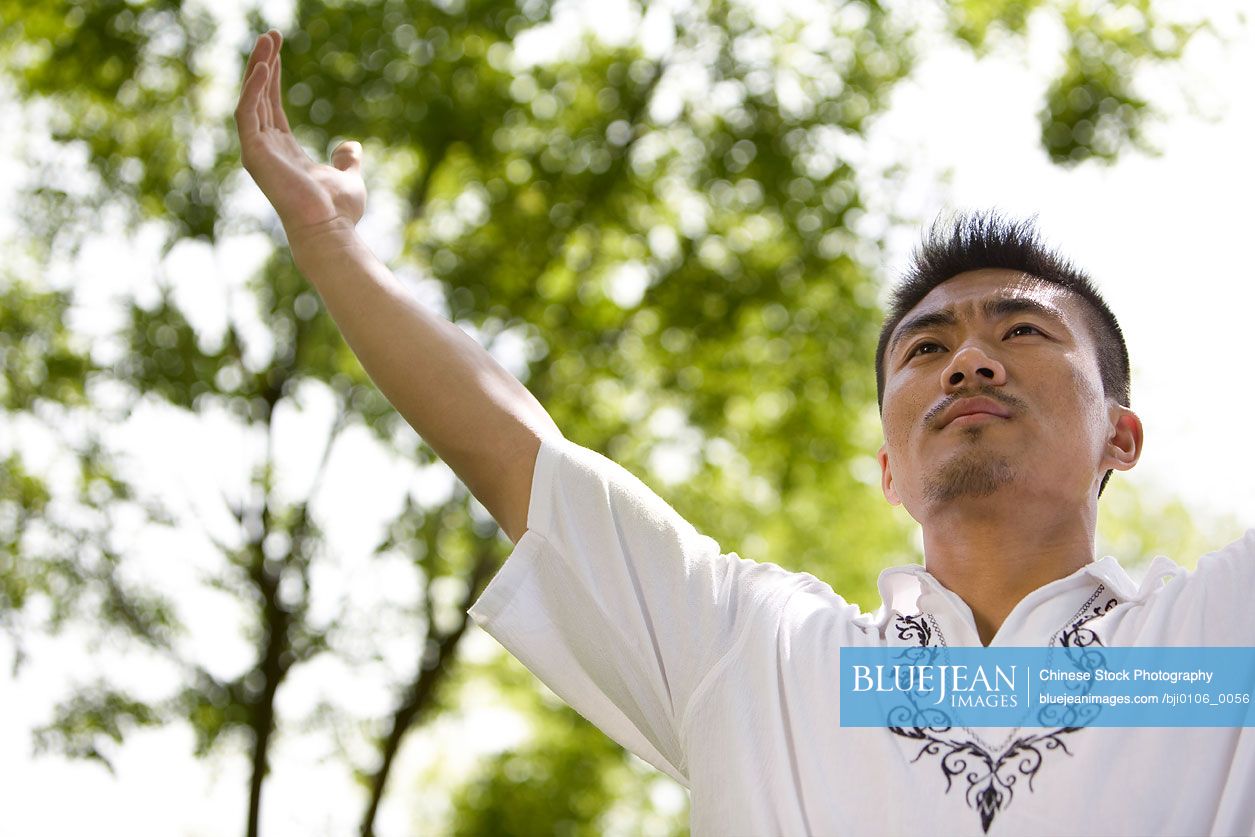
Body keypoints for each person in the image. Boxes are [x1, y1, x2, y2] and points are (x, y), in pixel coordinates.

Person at [236, 30, 1253, 836]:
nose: (968, 361)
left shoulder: (1213, 653)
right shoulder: (766, 658)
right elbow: (520, 459)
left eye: (1021, 332)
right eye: (925, 349)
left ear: (1121, 436)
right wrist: (328, 245)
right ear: (888, 469)